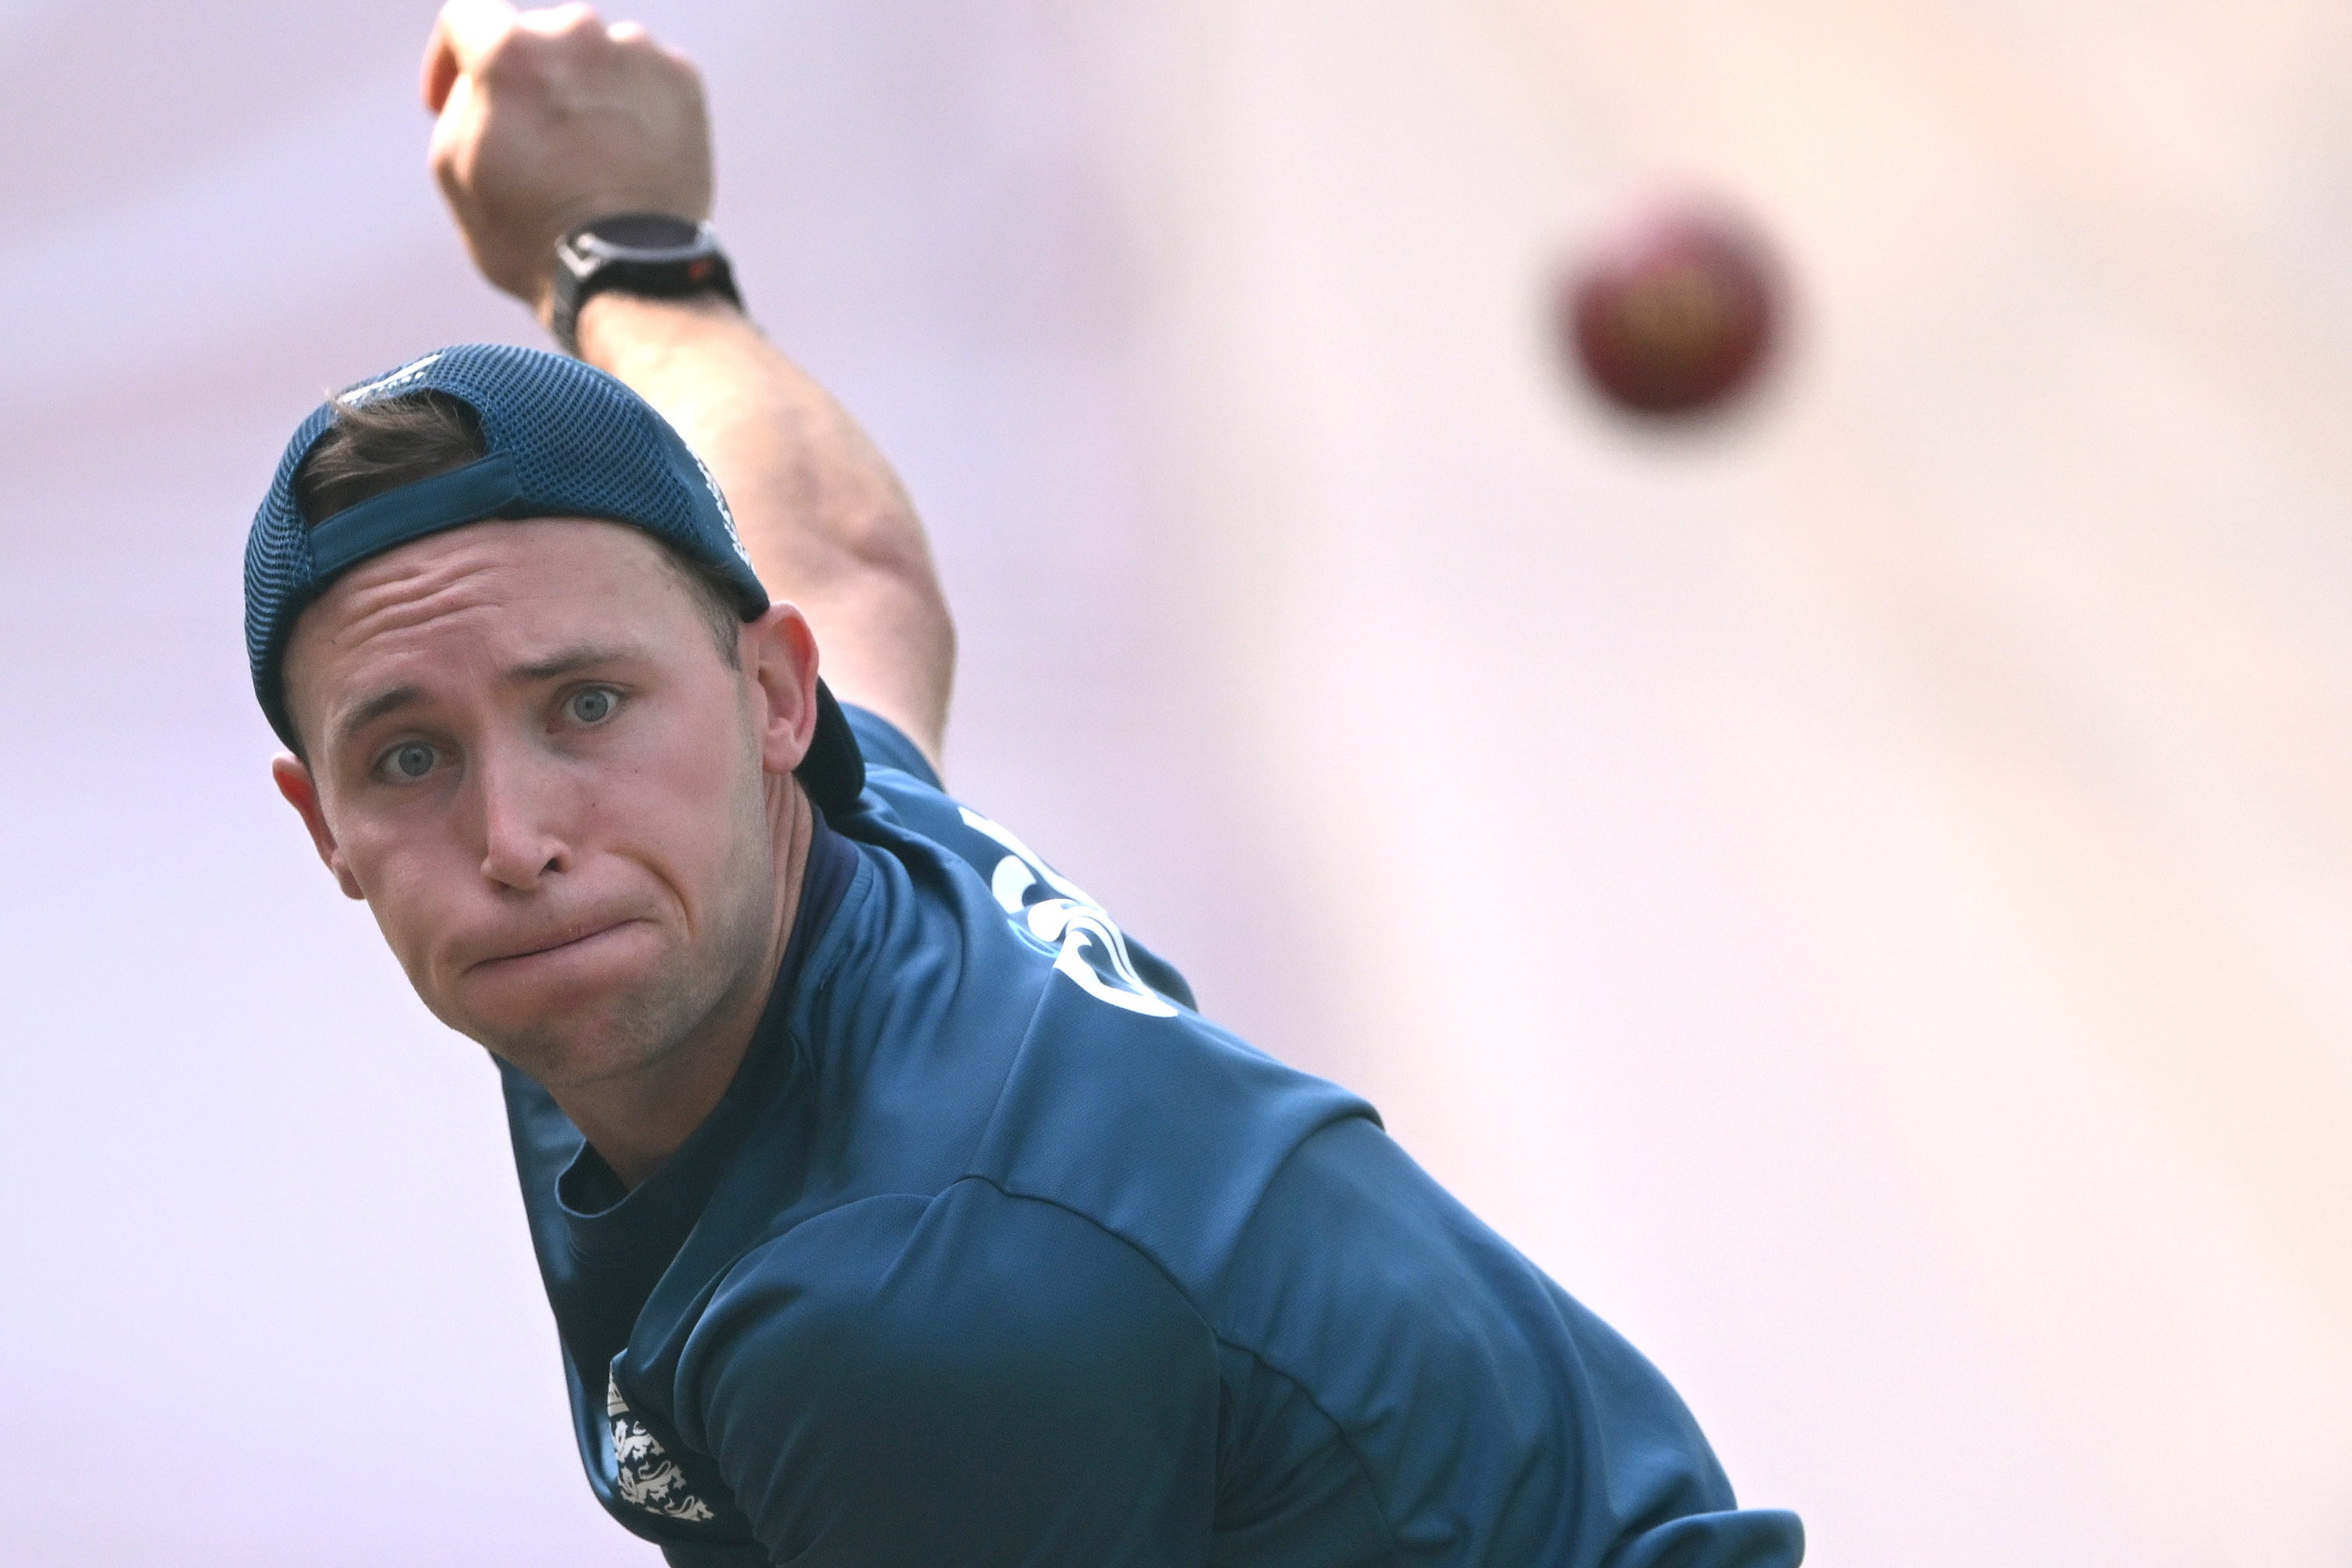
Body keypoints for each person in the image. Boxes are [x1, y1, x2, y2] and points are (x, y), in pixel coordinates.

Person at [248, 2, 1808, 1563]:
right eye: (409, 759)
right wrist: (622, 245)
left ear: (771, 700)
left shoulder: (906, 1298)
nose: (516, 837)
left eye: (585, 704)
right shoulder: (813, 844)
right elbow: (838, 552)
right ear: (324, 826)